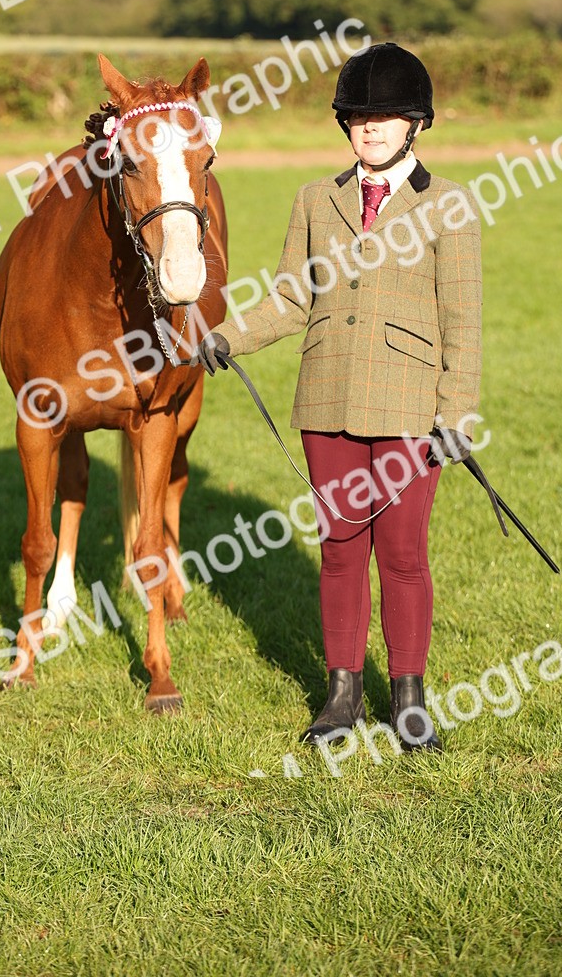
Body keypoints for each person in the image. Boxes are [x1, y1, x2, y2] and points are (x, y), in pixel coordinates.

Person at [195, 42, 482, 753]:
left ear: (415, 123)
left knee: (406, 554)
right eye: (359, 117)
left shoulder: (448, 205)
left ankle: (409, 702)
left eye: (385, 117)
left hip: (412, 407)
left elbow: (463, 321)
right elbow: (294, 295)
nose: (371, 128)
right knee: (340, 549)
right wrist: (228, 336)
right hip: (327, 399)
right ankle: (342, 695)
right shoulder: (315, 200)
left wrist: (454, 416)